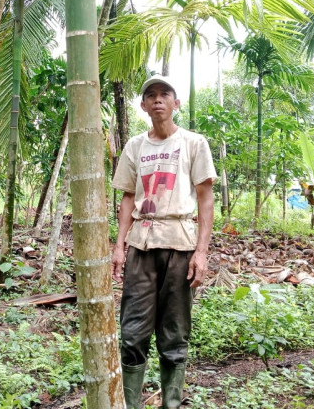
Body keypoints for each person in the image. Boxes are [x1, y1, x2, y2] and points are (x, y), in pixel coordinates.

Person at [111, 74, 217, 409]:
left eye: (165, 94)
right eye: (151, 95)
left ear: (176, 103)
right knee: (132, 333)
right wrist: (119, 246)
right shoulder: (135, 146)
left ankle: (171, 402)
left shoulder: (193, 143)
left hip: (180, 243)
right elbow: (128, 197)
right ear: (143, 105)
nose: (158, 99)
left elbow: (205, 198)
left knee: (174, 333)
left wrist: (201, 252)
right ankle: (131, 404)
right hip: (141, 244)